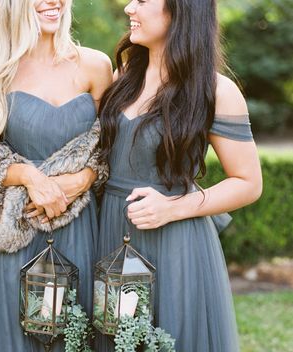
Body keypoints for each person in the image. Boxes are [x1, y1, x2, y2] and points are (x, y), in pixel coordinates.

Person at [96, 0, 262, 351]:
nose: (128, 8)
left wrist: (174, 208)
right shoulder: (121, 78)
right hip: (108, 234)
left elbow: (248, 183)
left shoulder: (218, 92)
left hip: (174, 246)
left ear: (180, 10)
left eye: (141, 1)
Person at [0, 0, 112, 350]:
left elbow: (109, 148)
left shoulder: (97, 66)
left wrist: (83, 178)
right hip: (16, 228)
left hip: (80, 228)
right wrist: (29, 177)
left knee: (75, 332)